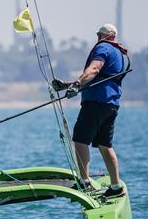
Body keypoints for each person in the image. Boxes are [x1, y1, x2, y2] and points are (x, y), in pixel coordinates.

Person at [54, 23, 128, 198]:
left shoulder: (103, 47)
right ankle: (116, 187)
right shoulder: (118, 53)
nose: (97, 38)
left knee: (80, 139)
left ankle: (85, 183)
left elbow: (94, 70)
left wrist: (77, 84)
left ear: (103, 36)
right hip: (111, 104)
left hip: (96, 102)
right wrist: (67, 85)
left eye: (98, 35)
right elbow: (101, 78)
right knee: (104, 144)